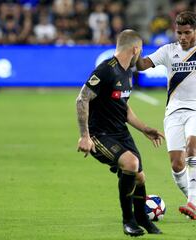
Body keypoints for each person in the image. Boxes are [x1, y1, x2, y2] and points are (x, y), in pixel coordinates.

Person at [136, 11, 196, 220]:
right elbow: (143, 65)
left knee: (192, 150)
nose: (182, 37)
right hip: (173, 112)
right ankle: (193, 200)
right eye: (179, 32)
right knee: (177, 164)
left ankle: (191, 202)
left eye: (187, 33)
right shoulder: (167, 50)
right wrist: (134, 51)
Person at [76, 29, 164, 237]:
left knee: (140, 177)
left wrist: (144, 128)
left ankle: (142, 218)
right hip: (100, 134)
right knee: (130, 164)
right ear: (135, 49)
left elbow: (123, 107)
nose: (140, 56)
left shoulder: (127, 72)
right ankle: (128, 221)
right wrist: (85, 136)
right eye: (140, 51)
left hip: (121, 132)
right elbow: (82, 98)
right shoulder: (106, 69)